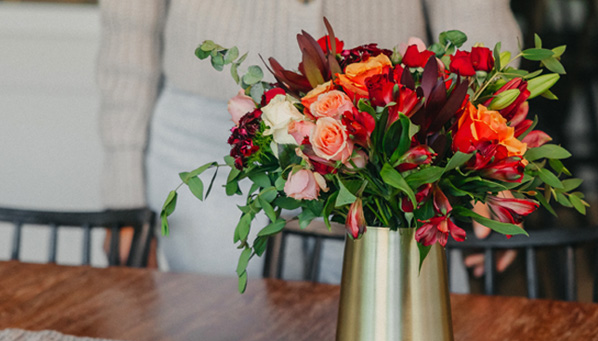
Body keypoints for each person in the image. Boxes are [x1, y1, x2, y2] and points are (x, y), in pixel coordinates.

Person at [97, 0, 522, 290]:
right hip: (214, 131)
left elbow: (476, 13)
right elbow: (129, 22)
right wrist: (123, 191)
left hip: (384, 129)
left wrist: (488, 162)